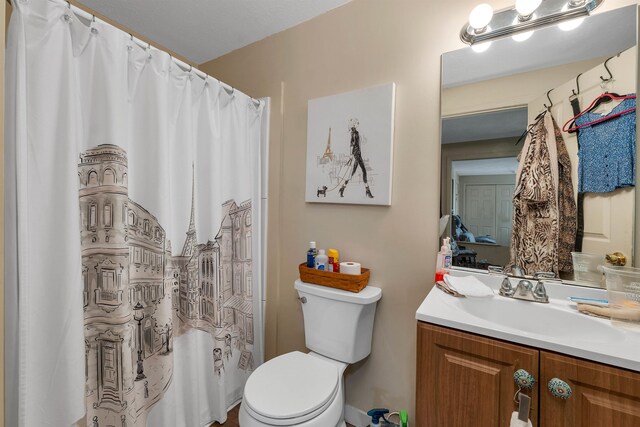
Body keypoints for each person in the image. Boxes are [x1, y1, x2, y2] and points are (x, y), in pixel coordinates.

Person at [339, 118, 374, 198]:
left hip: (356, 154)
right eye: (357, 123)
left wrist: (351, 155)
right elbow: (353, 144)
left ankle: (342, 188)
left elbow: (352, 144)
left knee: (352, 173)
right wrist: (352, 155)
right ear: (354, 124)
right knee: (364, 171)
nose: (358, 124)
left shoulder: (353, 133)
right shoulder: (356, 133)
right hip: (357, 154)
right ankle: (367, 190)